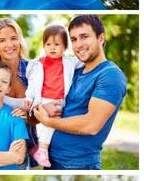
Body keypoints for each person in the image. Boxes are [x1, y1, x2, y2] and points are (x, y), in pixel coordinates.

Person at [31, 16, 128, 171]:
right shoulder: (74, 72)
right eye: (74, 39)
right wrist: (42, 109)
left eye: (84, 37)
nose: (78, 44)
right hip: (52, 160)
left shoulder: (110, 75)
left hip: (77, 164)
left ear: (101, 38)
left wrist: (49, 122)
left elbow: (91, 125)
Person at [24, 24, 80, 169]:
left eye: (57, 44)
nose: (52, 47)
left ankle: (41, 149)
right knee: (49, 123)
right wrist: (29, 98)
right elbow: (32, 84)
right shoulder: (38, 64)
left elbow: (85, 60)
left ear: (65, 47)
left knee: (55, 126)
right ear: (44, 46)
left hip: (60, 100)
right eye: (48, 44)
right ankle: (42, 150)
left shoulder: (69, 62)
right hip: (43, 99)